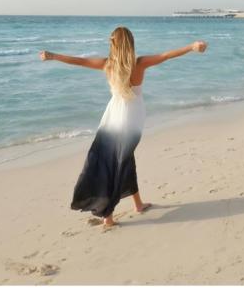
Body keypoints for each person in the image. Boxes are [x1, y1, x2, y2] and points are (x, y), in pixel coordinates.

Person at [40, 27, 207, 228]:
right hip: (132, 122)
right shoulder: (140, 63)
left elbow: (79, 61)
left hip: (112, 119)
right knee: (120, 163)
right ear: (131, 43)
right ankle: (107, 217)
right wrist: (191, 46)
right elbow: (165, 56)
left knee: (120, 161)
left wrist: (53, 56)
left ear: (113, 44)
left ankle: (137, 204)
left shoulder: (106, 65)